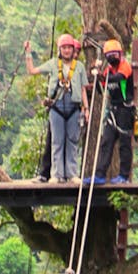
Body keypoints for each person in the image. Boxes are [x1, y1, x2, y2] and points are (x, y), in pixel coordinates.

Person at [24, 34, 90, 184]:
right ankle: (56, 174)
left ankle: (72, 174)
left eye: (69, 48)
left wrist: (86, 109)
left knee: (72, 141)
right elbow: (32, 71)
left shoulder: (79, 67)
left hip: (74, 107)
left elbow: (83, 88)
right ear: (60, 50)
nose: (67, 51)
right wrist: (28, 53)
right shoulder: (54, 64)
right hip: (57, 106)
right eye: (64, 48)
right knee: (57, 141)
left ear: (73, 50)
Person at [83, 39, 136, 186]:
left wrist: (102, 76)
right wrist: (97, 80)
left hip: (125, 110)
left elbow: (119, 78)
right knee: (106, 142)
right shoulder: (108, 70)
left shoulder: (125, 66)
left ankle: (124, 176)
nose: (113, 58)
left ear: (120, 54)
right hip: (113, 110)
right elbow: (104, 88)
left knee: (125, 144)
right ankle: (99, 175)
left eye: (115, 55)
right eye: (109, 55)